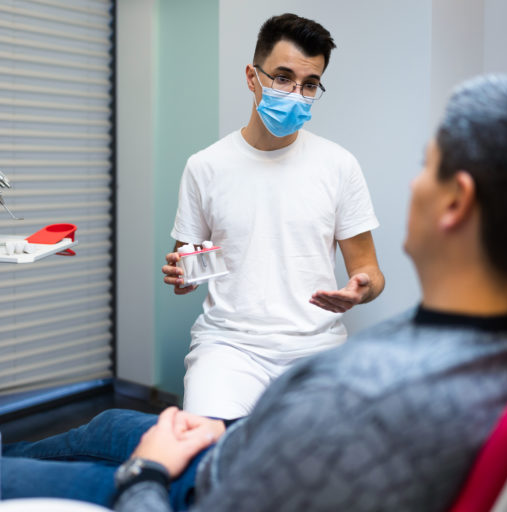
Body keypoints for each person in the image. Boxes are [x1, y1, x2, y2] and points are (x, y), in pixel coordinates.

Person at [1, 75, 507, 511]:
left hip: (198, 485)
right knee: (105, 424)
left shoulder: (356, 392)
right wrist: (233, 433)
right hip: (245, 440)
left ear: (456, 201)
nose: (414, 182)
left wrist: (147, 471)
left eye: (426, 165)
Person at [162, 13, 385, 419]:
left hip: (315, 349)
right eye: (282, 78)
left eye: (310, 84)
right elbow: (190, 271)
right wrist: (183, 275)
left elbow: (369, 270)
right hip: (229, 347)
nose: (296, 93)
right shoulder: (205, 166)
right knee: (209, 448)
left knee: (315, 462)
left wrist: (360, 289)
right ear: (252, 77)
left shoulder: (338, 165)